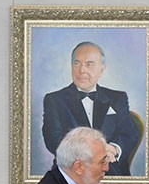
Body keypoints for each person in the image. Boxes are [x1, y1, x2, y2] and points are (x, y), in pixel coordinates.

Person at [42, 41, 140, 176]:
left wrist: (113, 148)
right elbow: (53, 140)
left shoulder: (118, 98)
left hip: (112, 172)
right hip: (72, 173)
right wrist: (95, 153)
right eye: (77, 63)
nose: (82, 70)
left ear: (101, 70)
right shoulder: (54, 100)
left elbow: (129, 133)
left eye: (89, 64)